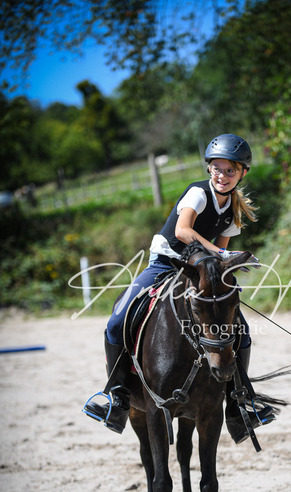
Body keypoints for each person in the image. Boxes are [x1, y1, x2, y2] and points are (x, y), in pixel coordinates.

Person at [84, 133, 275, 442]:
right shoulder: (198, 193)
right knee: (118, 319)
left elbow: (219, 258)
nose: (222, 175)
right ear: (209, 168)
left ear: (243, 173)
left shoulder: (232, 211)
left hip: (198, 271)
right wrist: (222, 254)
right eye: (217, 168)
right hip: (164, 263)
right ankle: (116, 397)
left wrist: (233, 261)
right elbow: (183, 231)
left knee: (239, 328)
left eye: (230, 170)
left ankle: (240, 403)